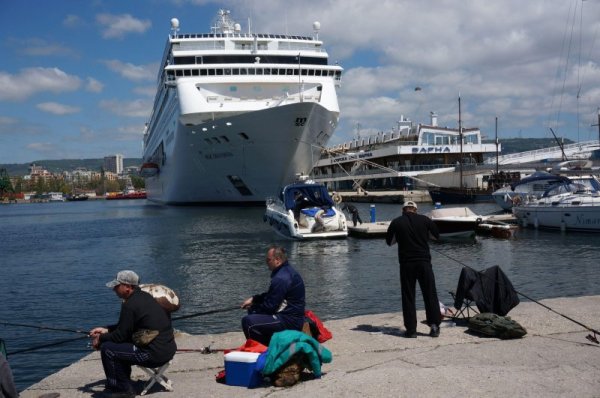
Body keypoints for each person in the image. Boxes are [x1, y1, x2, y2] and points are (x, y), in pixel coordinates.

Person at [89, 270, 177, 397]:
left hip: (152, 355)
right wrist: (106, 329)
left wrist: (100, 338)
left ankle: (122, 390)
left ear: (127, 287)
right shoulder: (145, 297)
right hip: (168, 349)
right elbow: (126, 328)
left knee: (108, 349)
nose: (114, 289)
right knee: (117, 346)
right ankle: (121, 383)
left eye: (116, 286)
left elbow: (120, 336)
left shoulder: (129, 305)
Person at [385, 201, 442, 338]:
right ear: (416, 210)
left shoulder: (397, 222)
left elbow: (390, 242)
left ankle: (411, 330)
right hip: (424, 262)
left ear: (403, 210)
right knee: (430, 293)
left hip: (406, 264)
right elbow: (436, 236)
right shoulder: (425, 220)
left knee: (408, 296)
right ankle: (434, 326)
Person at [241, 246, 305, 346]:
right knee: (253, 313)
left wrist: (253, 307)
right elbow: (272, 295)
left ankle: (262, 351)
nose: (266, 262)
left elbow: (270, 307)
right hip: (291, 317)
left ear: (277, 260)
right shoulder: (285, 271)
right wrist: (254, 299)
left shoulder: (281, 278)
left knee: (248, 322)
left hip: (289, 320)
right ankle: (269, 344)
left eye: (268, 260)